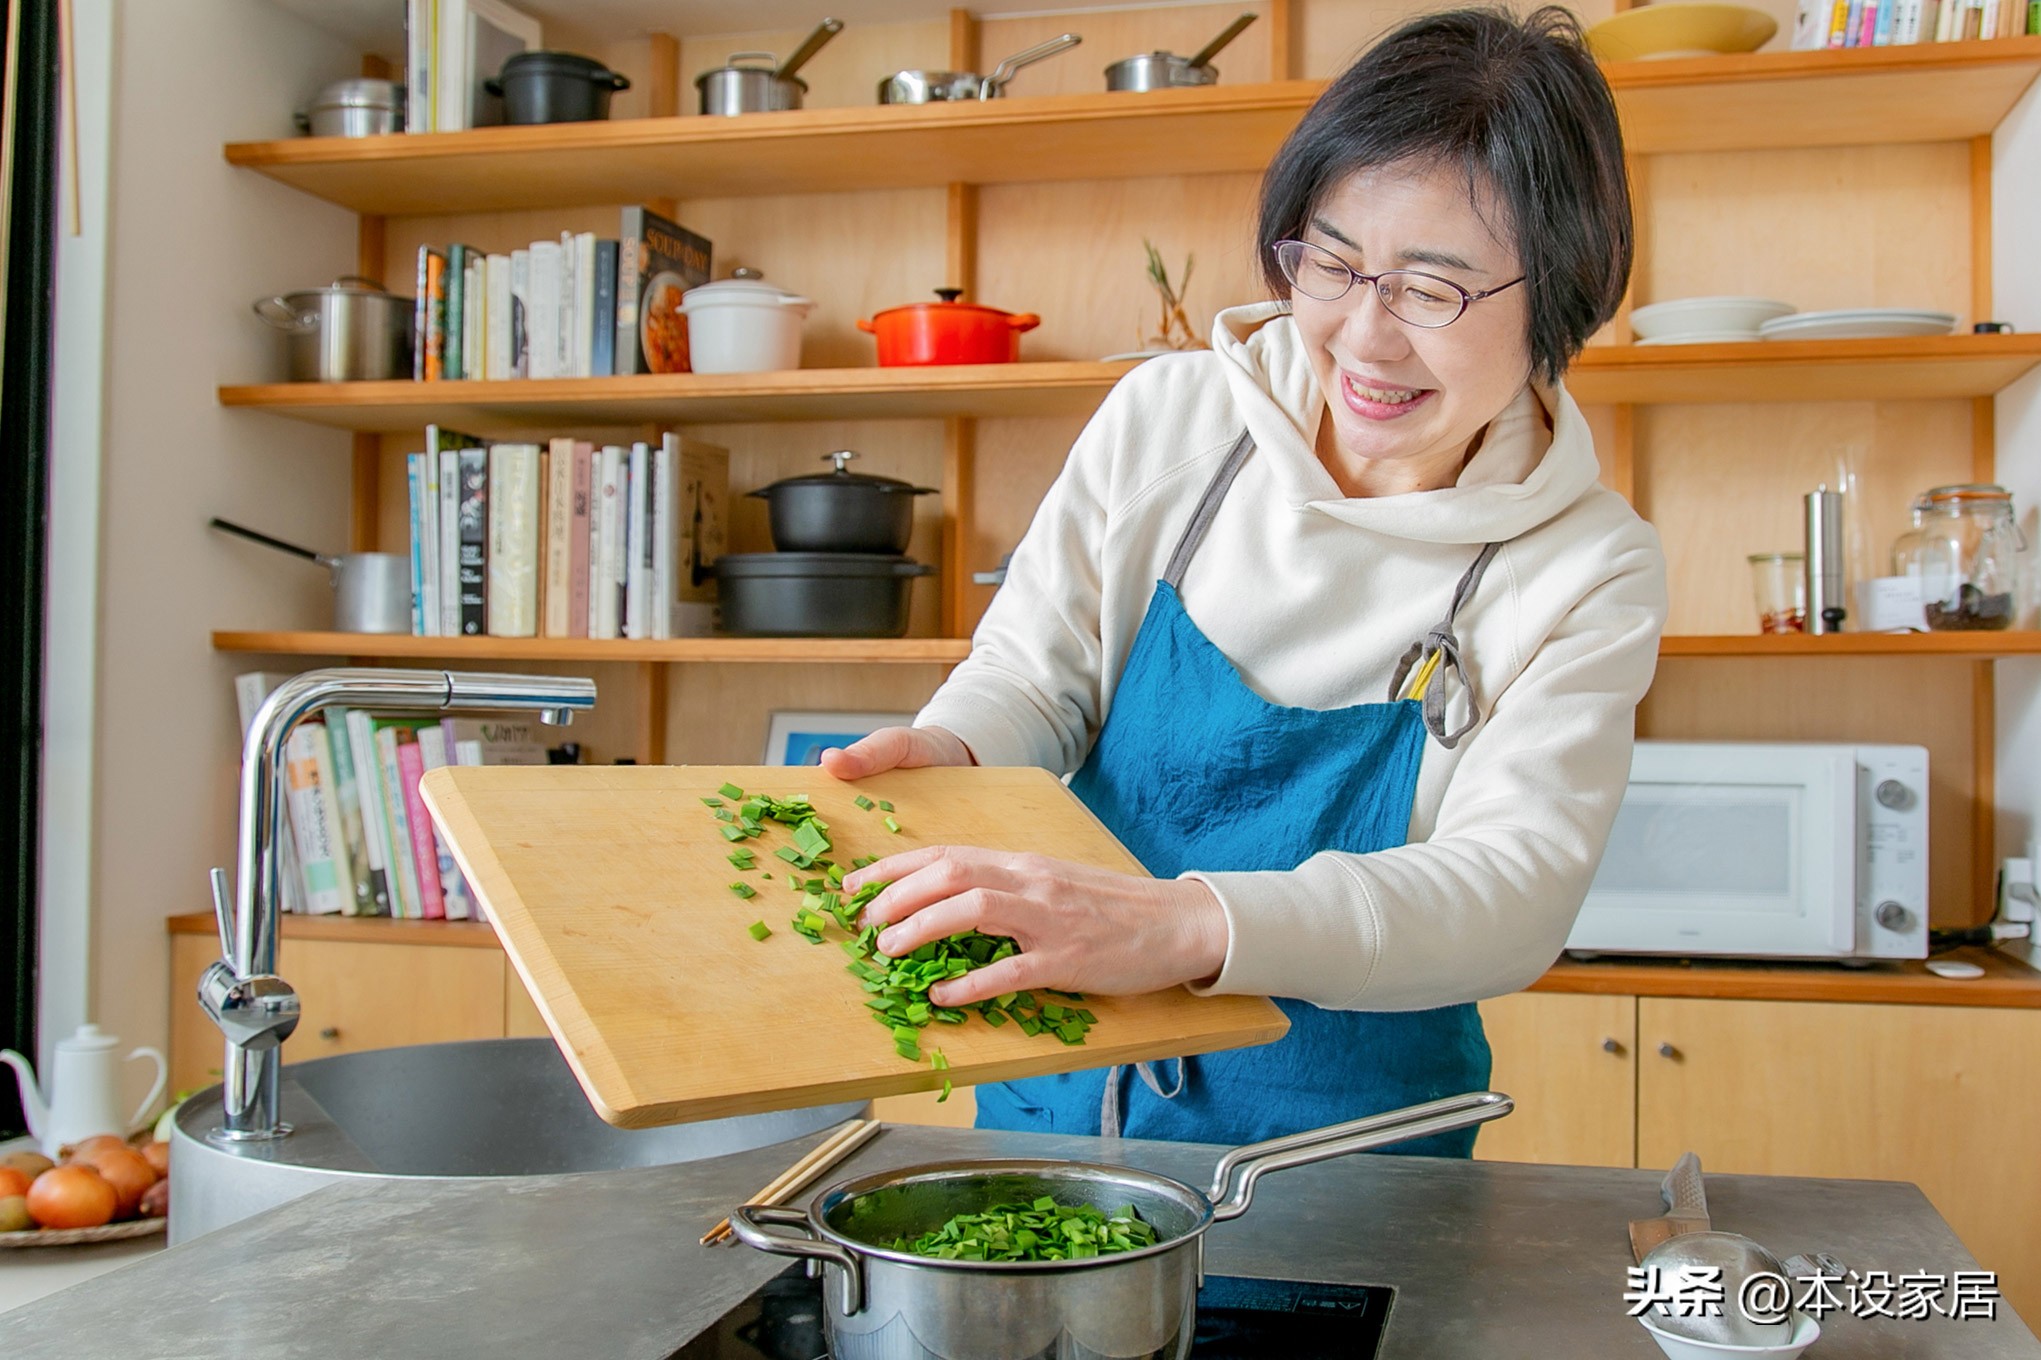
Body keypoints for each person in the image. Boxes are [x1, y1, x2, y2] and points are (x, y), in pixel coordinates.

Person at [825, 6, 1667, 1155]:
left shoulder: (1584, 562)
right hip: (1061, 1110)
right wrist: (957, 749)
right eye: (1330, 262)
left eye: (1432, 289)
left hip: (1341, 1163)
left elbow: (1506, 898)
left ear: (1557, 300)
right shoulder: (1174, 418)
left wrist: (1185, 925)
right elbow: (1036, 674)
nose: (1363, 339)